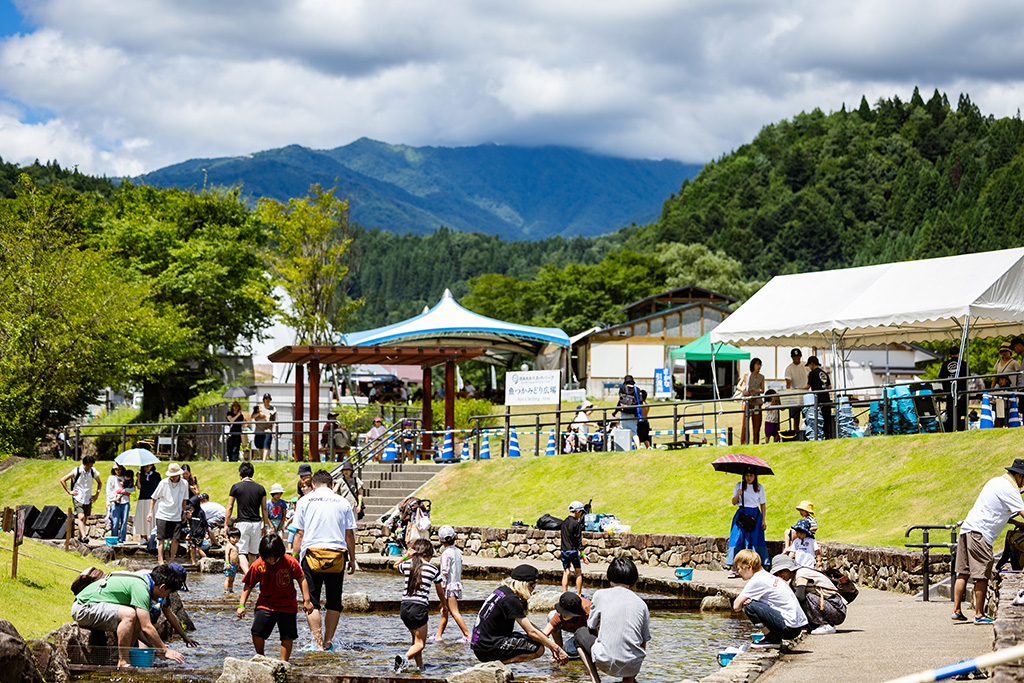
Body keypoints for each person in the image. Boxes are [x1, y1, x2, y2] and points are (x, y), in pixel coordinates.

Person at [71, 563, 194, 668]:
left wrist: (155, 647)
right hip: (82, 608)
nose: (165, 597)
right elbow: (147, 626)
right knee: (129, 614)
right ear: (162, 587)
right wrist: (164, 650)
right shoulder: (141, 589)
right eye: (168, 593)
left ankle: (126, 657)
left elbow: (140, 625)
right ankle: (123, 661)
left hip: (91, 607)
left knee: (134, 616)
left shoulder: (145, 581)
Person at [291, 468, 358, 651]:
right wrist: (352, 559)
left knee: (311, 601)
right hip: (337, 555)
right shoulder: (343, 502)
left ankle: (318, 642)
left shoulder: (305, 501)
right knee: (334, 602)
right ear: (332, 485)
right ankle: (328, 641)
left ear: (313, 485)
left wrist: (294, 558)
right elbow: (349, 535)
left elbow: (299, 533)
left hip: (311, 554)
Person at [952, 459, 1024, 624]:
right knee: (982, 574)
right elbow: (1022, 511)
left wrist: (1016, 524)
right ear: (1019, 476)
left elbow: (994, 511)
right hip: (980, 534)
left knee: (963, 572)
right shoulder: (1011, 490)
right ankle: (979, 614)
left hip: (966, 530)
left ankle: (956, 610)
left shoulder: (995, 482)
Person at [471, 564, 569, 665]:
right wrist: (556, 648)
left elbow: (528, 624)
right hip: (487, 648)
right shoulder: (511, 600)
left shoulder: (502, 591)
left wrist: (548, 641)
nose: (532, 590)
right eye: (531, 586)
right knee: (539, 649)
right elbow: (531, 632)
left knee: (538, 641)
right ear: (522, 584)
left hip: (480, 644)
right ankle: (496, 664)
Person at [237, 534, 313, 662]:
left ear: (280, 554)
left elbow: (301, 579)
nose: (271, 561)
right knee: (257, 632)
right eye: (268, 558)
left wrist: (307, 600)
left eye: (274, 558)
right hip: (265, 604)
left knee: (287, 636)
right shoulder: (258, 565)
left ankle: (284, 663)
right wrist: (241, 605)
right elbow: (248, 585)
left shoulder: (290, 562)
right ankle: (261, 657)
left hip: (287, 605)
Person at [573, 557, 650, 683]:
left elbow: (591, 626)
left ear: (610, 576)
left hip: (604, 661)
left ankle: (595, 680)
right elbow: (643, 642)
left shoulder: (600, 595)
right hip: (632, 667)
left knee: (579, 634)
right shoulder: (641, 604)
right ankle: (628, 681)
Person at [732, 549, 807, 646]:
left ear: (749, 567)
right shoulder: (767, 576)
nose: (738, 573)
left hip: (789, 629)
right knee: (751, 603)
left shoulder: (757, 580)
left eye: (738, 569)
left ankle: (771, 638)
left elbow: (736, 606)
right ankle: (772, 637)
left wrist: (746, 604)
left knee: (750, 606)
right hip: (796, 627)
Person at [394, 538, 444, 672]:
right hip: (419, 609)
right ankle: (404, 658)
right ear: (429, 554)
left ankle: (420, 667)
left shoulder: (407, 564)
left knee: (415, 640)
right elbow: (440, 591)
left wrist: (405, 556)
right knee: (421, 643)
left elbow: (395, 565)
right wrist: (443, 604)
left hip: (404, 607)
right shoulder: (433, 569)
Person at [768, 554, 846, 635]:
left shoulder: (801, 574)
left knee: (804, 596)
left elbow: (800, 597)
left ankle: (826, 625)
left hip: (836, 609)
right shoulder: (793, 580)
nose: (780, 575)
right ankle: (813, 624)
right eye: (777, 573)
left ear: (789, 568)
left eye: (781, 571)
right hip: (829, 608)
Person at [224, 461, 271, 573]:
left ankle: (249, 576)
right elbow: (264, 508)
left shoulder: (236, 487)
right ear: (252, 473)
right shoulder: (261, 488)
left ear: (240, 474)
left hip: (243, 523)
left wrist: (226, 524)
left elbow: (230, 506)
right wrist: (265, 525)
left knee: (241, 553)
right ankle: (254, 579)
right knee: (253, 554)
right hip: (256, 524)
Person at [432, 524, 471, 643]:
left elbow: (444, 572)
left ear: (440, 540)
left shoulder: (445, 554)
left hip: (449, 586)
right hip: (456, 583)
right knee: (444, 610)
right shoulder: (457, 552)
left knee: (454, 612)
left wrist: (441, 588)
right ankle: (438, 635)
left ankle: (468, 635)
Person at [726, 469, 769, 575]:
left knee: (755, 540)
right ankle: (735, 568)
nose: (748, 478)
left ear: (755, 476)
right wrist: (737, 494)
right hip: (742, 515)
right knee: (737, 539)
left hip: (755, 515)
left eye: (751, 475)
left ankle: (756, 567)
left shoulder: (759, 487)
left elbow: (763, 504)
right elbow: (734, 502)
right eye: (746, 475)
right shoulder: (739, 486)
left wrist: (763, 520)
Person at [148, 463, 190, 564]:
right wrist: (150, 512)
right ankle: (160, 560)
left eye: (175, 475)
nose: (174, 477)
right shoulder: (163, 483)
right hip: (162, 514)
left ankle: (172, 560)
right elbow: (154, 498)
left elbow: (184, 500)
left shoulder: (184, 483)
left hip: (176, 515)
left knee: (175, 539)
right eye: (172, 475)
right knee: (161, 539)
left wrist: (184, 513)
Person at [59, 454, 102, 544]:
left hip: (88, 497)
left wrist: (96, 495)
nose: (90, 467)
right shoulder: (77, 471)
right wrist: (69, 491)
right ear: (83, 464)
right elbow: (62, 480)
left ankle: (79, 537)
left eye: (91, 466)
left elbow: (99, 482)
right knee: (81, 516)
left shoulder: (93, 471)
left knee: (85, 518)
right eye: (88, 465)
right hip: (78, 497)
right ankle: (84, 536)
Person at [542, 592, 591, 658]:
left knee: (568, 649)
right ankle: (560, 648)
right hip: (573, 626)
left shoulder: (588, 612)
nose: (563, 614)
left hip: (587, 631)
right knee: (551, 615)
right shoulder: (561, 614)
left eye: (566, 613)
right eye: (562, 612)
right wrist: (556, 649)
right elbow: (544, 633)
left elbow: (597, 635)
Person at [561, 501, 589, 595]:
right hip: (572, 551)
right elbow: (578, 541)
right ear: (577, 511)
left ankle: (564, 593)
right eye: (581, 512)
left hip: (564, 551)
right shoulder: (576, 524)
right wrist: (583, 555)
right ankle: (579, 594)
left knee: (566, 572)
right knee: (578, 572)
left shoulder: (563, 523)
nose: (581, 514)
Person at [939, 347, 970, 433]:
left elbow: (942, 378)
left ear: (950, 354)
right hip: (961, 392)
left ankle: (950, 429)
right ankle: (960, 429)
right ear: (959, 354)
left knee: (950, 413)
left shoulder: (945, 364)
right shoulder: (963, 364)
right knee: (960, 413)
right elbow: (968, 378)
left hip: (949, 392)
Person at [106, 464, 134, 544]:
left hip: (125, 502)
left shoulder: (126, 477)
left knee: (124, 521)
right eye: (115, 469)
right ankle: (114, 538)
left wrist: (125, 491)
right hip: (115, 502)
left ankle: (122, 539)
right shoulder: (111, 478)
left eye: (119, 469)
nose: (117, 471)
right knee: (115, 522)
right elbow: (109, 490)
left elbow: (133, 488)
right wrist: (109, 501)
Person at [806, 356, 833, 439]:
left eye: (809, 365)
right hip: (826, 399)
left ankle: (819, 437)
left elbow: (808, 386)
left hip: (818, 400)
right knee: (827, 420)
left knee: (818, 420)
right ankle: (828, 437)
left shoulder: (812, 373)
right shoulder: (824, 373)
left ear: (812, 364)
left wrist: (798, 390)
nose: (809, 367)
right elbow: (830, 386)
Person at [134, 463, 160, 543]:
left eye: (148, 466)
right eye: (144, 467)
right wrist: (138, 478)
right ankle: (144, 537)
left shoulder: (156, 475)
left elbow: (159, 487)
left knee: (153, 518)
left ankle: (153, 536)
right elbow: (139, 487)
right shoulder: (141, 475)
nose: (146, 468)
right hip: (143, 499)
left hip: (153, 500)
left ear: (152, 466)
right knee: (143, 518)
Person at [784, 349, 809, 432]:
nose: (796, 360)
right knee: (795, 419)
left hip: (805, 394)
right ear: (791, 358)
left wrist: (807, 387)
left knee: (807, 417)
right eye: (794, 358)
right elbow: (788, 384)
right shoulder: (789, 368)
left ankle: (807, 434)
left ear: (800, 357)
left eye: (798, 358)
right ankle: (797, 434)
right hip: (795, 396)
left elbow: (810, 378)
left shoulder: (806, 365)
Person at [613, 375, 641, 447]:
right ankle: (638, 446)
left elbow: (620, 402)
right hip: (633, 413)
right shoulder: (637, 389)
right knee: (634, 432)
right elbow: (640, 401)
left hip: (623, 412)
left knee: (623, 430)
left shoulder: (622, 388)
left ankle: (624, 447)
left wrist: (615, 412)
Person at [743, 358, 765, 445]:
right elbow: (739, 385)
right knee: (745, 425)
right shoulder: (747, 375)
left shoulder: (761, 377)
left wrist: (755, 390)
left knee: (757, 425)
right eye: (757, 364)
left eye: (760, 365)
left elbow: (762, 390)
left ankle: (756, 442)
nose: (759, 366)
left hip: (757, 401)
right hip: (748, 401)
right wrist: (744, 391)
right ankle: (744, 442)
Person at [184, 496, 208, 564]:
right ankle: (194, 562)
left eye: (192, 505)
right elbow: (192, 525)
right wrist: (189, 533)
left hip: (199, 534)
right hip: (193, 534)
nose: (190, 506)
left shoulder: (201, 512)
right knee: (191, 548)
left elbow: (205, 523)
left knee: (198, 549)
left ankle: (206, 560)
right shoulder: (193, 513)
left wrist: (206, 533)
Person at [255, 393, 278, 461]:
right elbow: (254, 417)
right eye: (266, 399)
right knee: (260, 446)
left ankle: (264, 461)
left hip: (268, 430)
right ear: (264, 400)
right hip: (259, 430)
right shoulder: (259, 408)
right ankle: (262, 459)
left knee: (266, 444)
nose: (267, 400)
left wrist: (274, 431)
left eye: (268, 399)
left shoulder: (273, 409)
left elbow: (275, 421)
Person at [224, 527, 242, 593]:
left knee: (232, 579)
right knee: (228, 578)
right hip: (229, 564)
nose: (235, 539)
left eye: (237, 538)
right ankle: (226, 591)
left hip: (234, 565)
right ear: (228, 538)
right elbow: (227, 554)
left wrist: (238, 563)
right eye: (233, 537)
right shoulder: (229, 546)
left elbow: (237, 556)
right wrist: (227, 563)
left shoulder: (237, 547)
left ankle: (231, 590)